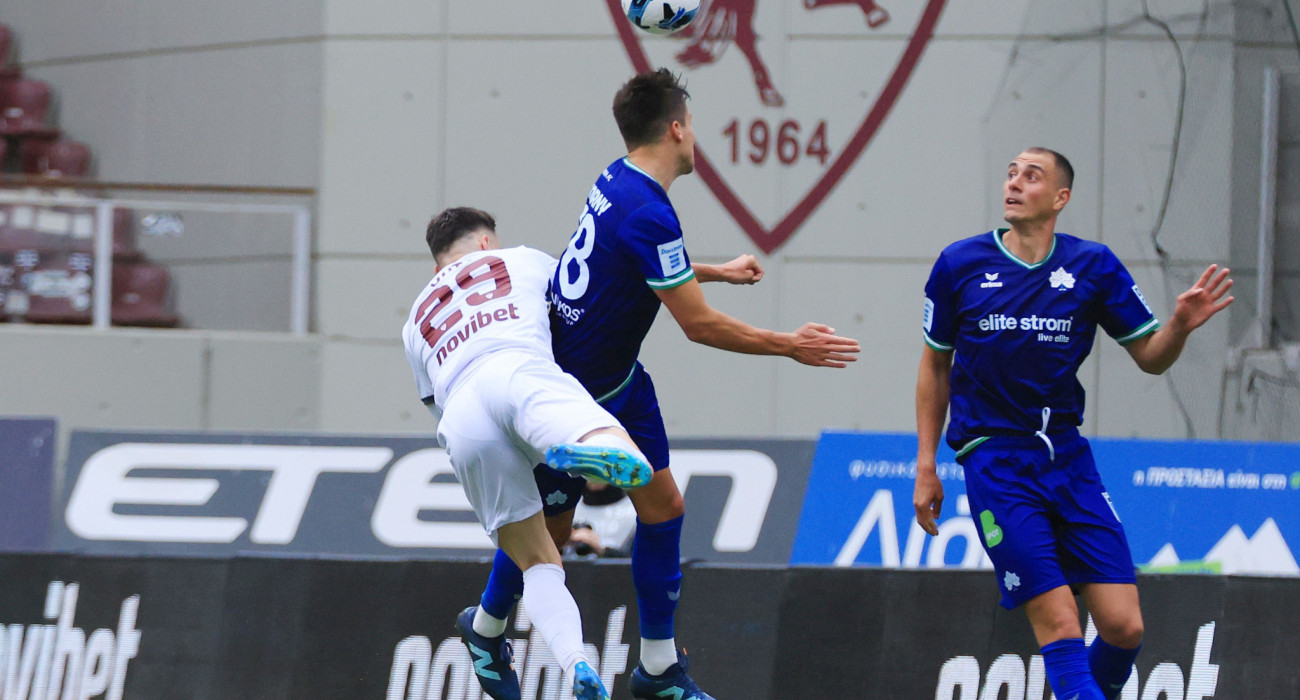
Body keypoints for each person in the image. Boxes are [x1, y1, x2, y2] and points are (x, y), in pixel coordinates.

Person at [465, 68, 861, 700]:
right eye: (693, 124)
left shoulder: (617, 179)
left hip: (620, 382)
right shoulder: (650, 211)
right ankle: (486, 629)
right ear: (676, 128)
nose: (695, 136)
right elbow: (698, 326)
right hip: (573, 397)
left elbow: (633, 260)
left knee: (663, 508)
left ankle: (656, 668)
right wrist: (790, 345)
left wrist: (718, 272)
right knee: (549, 539)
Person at [912, 148, 1234, 700]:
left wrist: (1179, 327)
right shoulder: (960, 263)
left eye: (1031, 176)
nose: (1015, 183)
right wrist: (926, 464)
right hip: (995, 461)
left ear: (1060, 198)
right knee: (1060, 623)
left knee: (1124, 627)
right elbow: (934, 364)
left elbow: (1151, 356)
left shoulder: (1094, 266)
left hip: (1067, 459)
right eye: (1011, 173)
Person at [402, 207, 660, 700]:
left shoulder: (415, 318)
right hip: (518, 371)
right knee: (615, 441)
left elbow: (435, 404)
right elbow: (597, 293)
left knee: (540, 561)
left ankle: (576, 662)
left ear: (438, 266)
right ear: (485, 243)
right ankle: (587, 450)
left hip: (462, 416)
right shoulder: (522, 260)